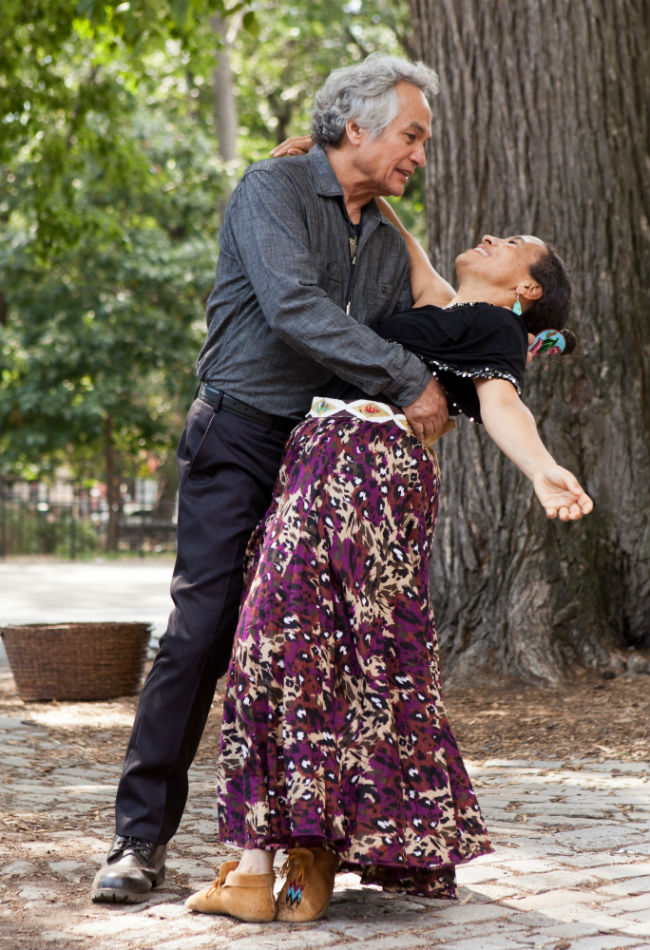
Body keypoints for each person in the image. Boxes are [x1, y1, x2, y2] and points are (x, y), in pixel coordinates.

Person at [91, 54, 453, 903]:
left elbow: (451, 303)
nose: (419, 155)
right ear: (353, 126)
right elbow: (293, 306)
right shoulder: (273, 188)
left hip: (323, 458)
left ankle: (310, 852)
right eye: (411, 136)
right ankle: (138, 841)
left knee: (311, 649)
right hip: (241, 436)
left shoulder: (386, 227)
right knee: (203, 632)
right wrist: (408, 378)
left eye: (422, 141)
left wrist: (520, 342)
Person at [183, 224, 593, 924]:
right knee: (331, 654)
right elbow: (420, 263)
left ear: (527, 290)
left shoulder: (495, 328)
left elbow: (501, 404)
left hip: (361, 464)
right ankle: (299, 858)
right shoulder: (446, 312)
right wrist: (358, 180)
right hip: (327, 459)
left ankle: (264, 866)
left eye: (515, 241)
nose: (492, 235)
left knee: (279, 647)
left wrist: (541, 469)